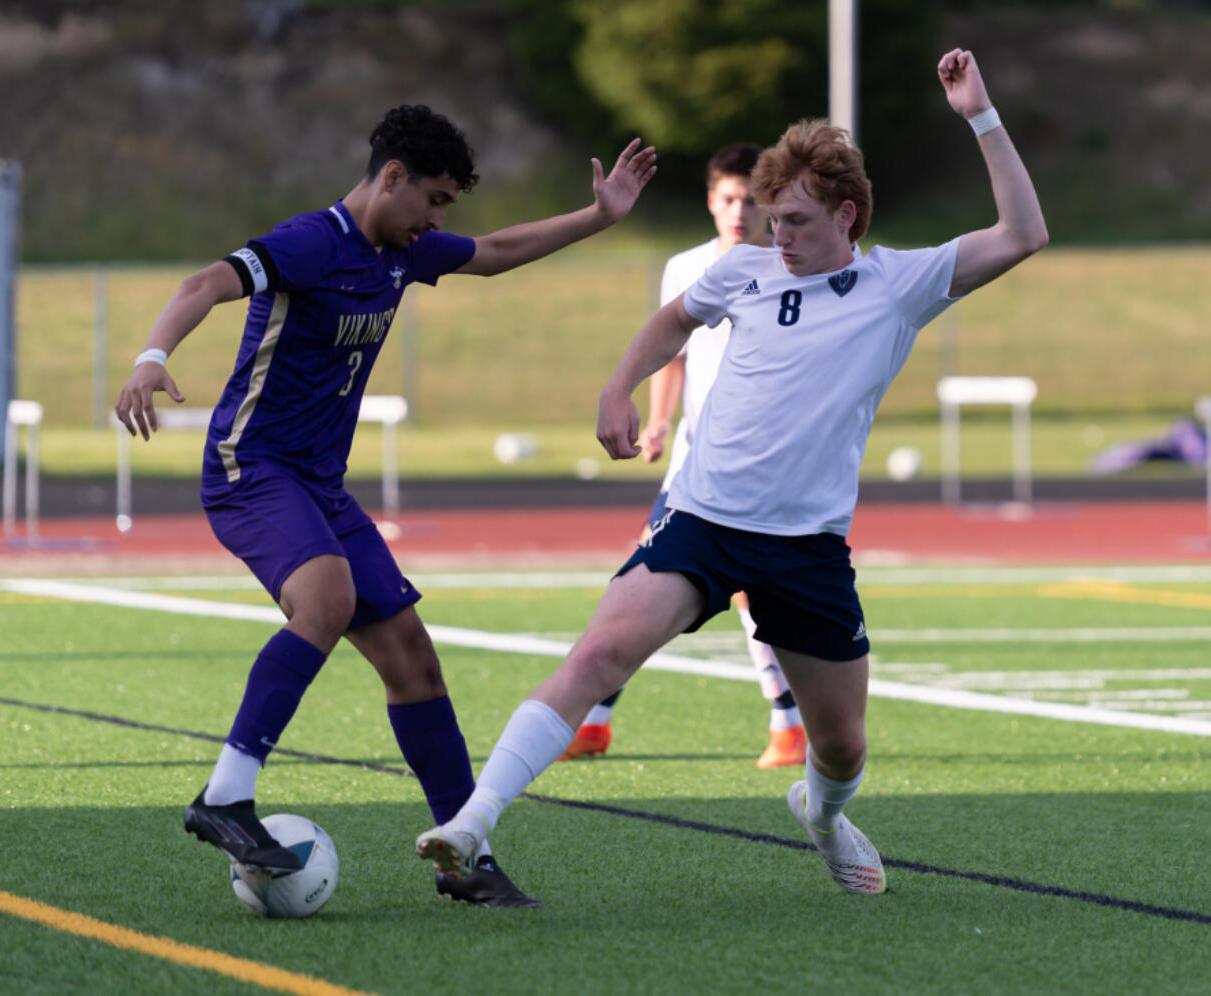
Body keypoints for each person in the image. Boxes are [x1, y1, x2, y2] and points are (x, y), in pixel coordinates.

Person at [416, 49, 1047, 897]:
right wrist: (618, 385)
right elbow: (673, 321)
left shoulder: (898, 283)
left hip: (806, 550)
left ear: (847, 215)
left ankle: (821, 817)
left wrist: (980, 115)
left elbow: (1024, 234)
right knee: (599, 653)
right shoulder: (741, 270)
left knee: (843, 745)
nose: (773, 235)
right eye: (768, 216)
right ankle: (473, 822)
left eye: (794, 221)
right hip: (703, 524)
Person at [113, 104, 656, 908]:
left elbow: (500, 251)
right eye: (433, 200)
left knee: (412, 658)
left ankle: (462, 852)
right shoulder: (311, 242)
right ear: (393, 178)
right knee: (326, 596)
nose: (437, 220)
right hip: (250, 467)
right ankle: (225, 796)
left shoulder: (401, 253)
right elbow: (205, 283)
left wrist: (600, 216)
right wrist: (153, 357)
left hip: (319, 486)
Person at [559, 143, 810, 769]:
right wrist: (663, 419)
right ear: (710, 201)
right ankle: (595, 721)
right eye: (728, 198)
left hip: (760, 470)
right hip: (693, 467)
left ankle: (788, 725)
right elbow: (674, 351)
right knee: (644, 580)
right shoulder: (688, 268)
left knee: (737, 594)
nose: (739, 211)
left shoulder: (791, 269)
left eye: (752, 200)